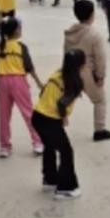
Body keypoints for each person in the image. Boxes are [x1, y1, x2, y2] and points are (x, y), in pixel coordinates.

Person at [32, 49, 87, 200]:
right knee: (66, 151)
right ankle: (66, 188)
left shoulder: (57, 73)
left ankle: (50, 179)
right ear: (81, 65)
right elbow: (61, 104)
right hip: (49, 120)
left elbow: (43, 92)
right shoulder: (75, 83)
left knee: (49, 146)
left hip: (37, 116)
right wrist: (63, 118)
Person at [63, 0, 110, 142]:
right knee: (99, 100)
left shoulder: (69, 33)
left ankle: (57, 126)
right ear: (92, 15)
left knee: (65, 100)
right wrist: (100, 76)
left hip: (71, 71)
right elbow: (100, 58)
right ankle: (99, 130)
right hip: (87, 73)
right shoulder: (94, 34)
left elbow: (66, 53)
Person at [0, 17, 45, 158]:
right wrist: (39, 82)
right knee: (28, 113)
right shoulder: (21, 47)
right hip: (18, 81)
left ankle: (4, 147)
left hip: (2, 81)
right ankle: (38, 143)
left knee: (3, 116)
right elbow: (29, 67)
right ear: (16, 30)